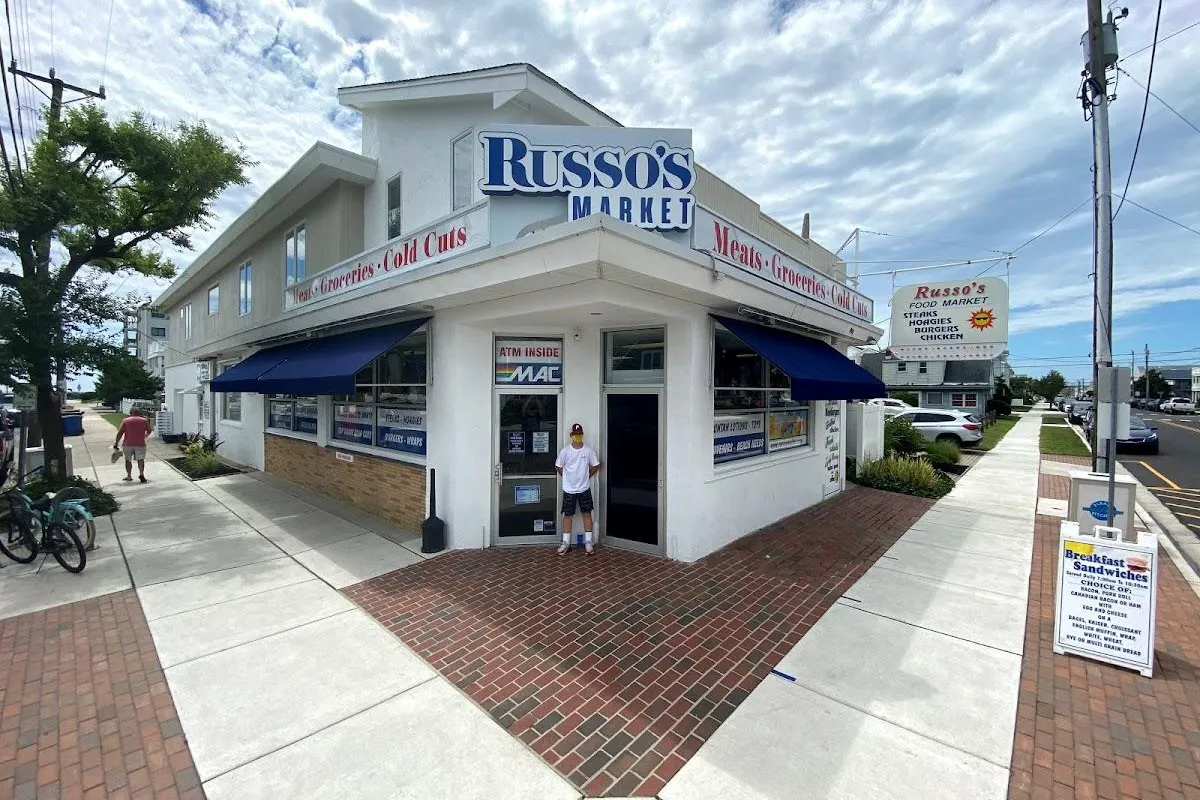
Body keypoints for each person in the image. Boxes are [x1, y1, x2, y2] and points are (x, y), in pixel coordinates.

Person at [555, 422, 601, 555]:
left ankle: (588, 542)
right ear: (571, 435)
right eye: (575, 434)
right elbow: (558, 466)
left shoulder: (588, 451)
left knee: (587, 514)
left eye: (579, 434)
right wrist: (566, 477)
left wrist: (587, 475)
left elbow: (596, 465)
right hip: (569, 489)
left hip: (584, 489)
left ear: (582, 435)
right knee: (568, 515)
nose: (577, 436)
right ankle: (565, 542)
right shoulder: (565, 451)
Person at [113, 408, 153, 483]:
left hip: (128, 444)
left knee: (128, 460)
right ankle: (141, 474)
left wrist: (116, 443)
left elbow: (120, 432)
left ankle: (129, 476)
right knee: (140, 460)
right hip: (140, 443)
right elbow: (149, 430)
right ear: (139, 413)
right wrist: (145, 436)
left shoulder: (126, 420)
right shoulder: (144, 420)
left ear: (131, 413)